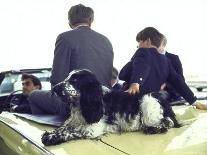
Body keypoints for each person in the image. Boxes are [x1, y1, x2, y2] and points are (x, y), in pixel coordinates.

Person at [28, 4, 114, 118]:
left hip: (77, 105)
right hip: (103, 105)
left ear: (70, 22)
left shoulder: (65, 38)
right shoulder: (106, 41)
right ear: (91, 20)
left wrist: (71, 97)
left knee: (33, 95)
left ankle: (51, 128)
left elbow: (57, 79)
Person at [119, 27, 207, 110]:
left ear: (147, 41)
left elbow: (124, 74)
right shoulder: (166, 61)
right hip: (152, 105)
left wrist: (136, 82)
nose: (138, 46)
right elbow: (178, 82)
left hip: (133, 102)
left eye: (139, 42)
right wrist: (195, 102)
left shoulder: (142, 51)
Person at [159, 36, 184, 101]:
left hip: (170, 92)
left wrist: (165, 84)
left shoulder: (174, 58)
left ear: (163, 45)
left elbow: (180, 79)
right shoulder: (150, 58)